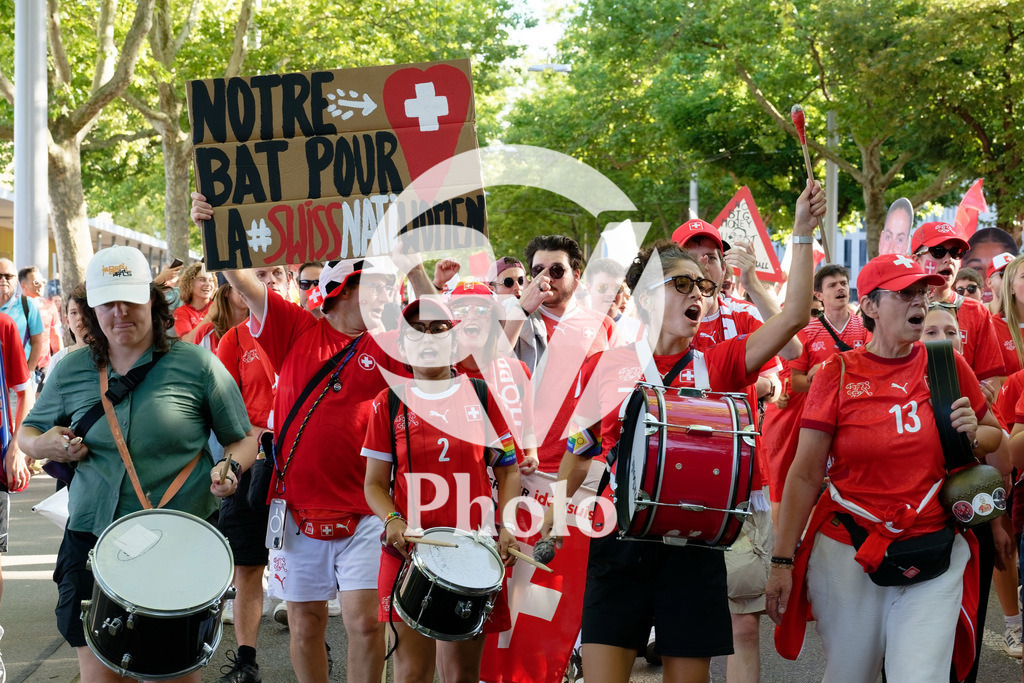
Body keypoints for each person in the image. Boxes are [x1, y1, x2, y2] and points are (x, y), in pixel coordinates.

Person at [539, 179, 824, 683]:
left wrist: (802, 232)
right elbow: (580, 453)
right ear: (648, 295)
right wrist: (554, 520)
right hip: (619, 543)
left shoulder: (720, 366)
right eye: (682, 284)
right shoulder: (607, 367)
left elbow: (797, 315)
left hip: (693, 549)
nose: (699, 294)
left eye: (705, 286)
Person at [20, 245, 254, 683]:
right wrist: (45, 444)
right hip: (93, 540)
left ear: (153, 300)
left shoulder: (197, 363)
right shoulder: (71, 369)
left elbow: (242, 440)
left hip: (180, 542)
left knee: (175, 673)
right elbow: (28, 434)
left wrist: (231, 469)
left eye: (130, 299)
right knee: (100, 674)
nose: (120, 312)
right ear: (91, 310)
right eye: (107, 302)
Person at [767, 253, 1002, 682]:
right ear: (870, 306)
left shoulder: (947, 364)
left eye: (922, 293)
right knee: (850, 674)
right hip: (849, 550)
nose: (919, 301)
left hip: (935, 547)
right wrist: (782, 561)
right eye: (905, 293)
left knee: (919, 675)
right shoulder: (836, 373)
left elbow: (994, 436)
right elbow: (804, 473)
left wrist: (974, 433)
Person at [362, 298, 521, 683]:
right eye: (417, 330)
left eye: (438, 329)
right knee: (412, 672)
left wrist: (508, 524)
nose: (428, 337)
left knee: (463, 674)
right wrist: (393, 519)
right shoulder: (388, 402)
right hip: (410, 551)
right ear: (402, 346)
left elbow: (509, 470)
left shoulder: (482, 395)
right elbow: (373, 484)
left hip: (475, 551)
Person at [503, 236, 622, 474]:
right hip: (526, 465)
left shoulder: (605, 325)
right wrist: (522, 310)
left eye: (557, 270)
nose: (547, 278)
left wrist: (604, 458)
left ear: (576, 276)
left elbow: (615, 399)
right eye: (538, 270)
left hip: (585, 467)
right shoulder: (513, 317)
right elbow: (493, 367)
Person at [449, 279, 539, 474]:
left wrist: (532, 455)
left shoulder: (517, 370)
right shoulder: (440, 375)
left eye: (482, 310)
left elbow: (528, 431)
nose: (471, 316)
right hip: (459, 485)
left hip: (510, 486)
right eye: (461, 311)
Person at [911, 221, 1005, 381]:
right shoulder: (898, 307)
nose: (949, 259)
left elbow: (990, 377)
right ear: (915, 260)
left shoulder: (977, 311)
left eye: (956, 252)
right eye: (938, 251)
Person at [0, 259, 43, 383]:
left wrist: (28, 371)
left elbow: (37, 342)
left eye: (8, 276)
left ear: (16, 280)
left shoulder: (28, 305)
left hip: (19, 379)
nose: (3, 280)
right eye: (0, 276)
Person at [19, 266, 62, 379]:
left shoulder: (50, 306)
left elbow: (55, 336)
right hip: (21, 366)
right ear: (23, 285)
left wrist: (60, 361)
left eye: (43, 282)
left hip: (44, 366)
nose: (41, 285)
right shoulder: (14, 308)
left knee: (42, 396)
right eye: (36, 282)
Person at [190, 282, 249, 354]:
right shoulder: (206, 332)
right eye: (241, 286)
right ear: (226, 291)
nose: (249, 291)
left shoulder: (261, 327)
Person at [174, 262, 217, 341]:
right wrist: (209, 317)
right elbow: (188, 342)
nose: (208, 284)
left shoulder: (219, 307)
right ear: (190, 283)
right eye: (202, 280)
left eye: (211, 280)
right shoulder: (181, 312)